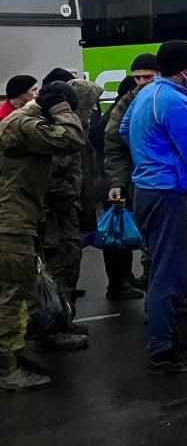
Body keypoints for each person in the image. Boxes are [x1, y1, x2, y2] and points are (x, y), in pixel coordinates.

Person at [121, 40, 187, 373]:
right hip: (168, 192)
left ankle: (170, 338)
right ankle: (163, 350)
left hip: (146, 190)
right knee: (169, 274)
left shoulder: (145, 94)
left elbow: (124, 128)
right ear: (183, 68)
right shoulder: (175, 101)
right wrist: (171, 162)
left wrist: (149, 156)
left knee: (166, 267)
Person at [0, 80, 86, 390]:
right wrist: (62, 109)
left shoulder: (21, 123)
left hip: (17, 220)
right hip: (10, 224)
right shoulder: (25, 124)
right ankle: (8, 368)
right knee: (14, 296)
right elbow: (72, 139)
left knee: (18, 293)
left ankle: (12, 358)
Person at [39, 68, 104, 320]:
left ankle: (64, 317)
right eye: (91, 102)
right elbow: (55, 174)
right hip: (56, 209)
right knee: (58, 263)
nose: (94, 108)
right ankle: (54, 322)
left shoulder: (81, 127)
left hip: (70, 206)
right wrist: (67, 197)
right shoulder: (61, 131)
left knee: (71, 257)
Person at [103, 54, 160, 300]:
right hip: (142, 182)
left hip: (171, 181)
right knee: (151, 239)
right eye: (137, 77)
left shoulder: (168, 97)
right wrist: (116, 182)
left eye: (147, 77)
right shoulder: (127, 103)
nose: (141, 82)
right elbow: (114, 145)